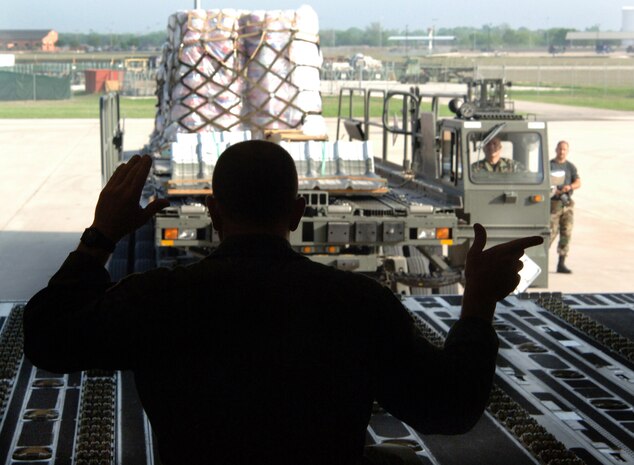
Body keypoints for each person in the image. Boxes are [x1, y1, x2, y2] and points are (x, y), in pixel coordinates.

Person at [23, 140, 543, 465]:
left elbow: (46, 337)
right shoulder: (360, 305)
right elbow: (450, 409)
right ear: (297, 213)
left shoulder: (157, 299)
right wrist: (476, 303)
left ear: (213, 212)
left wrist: (100, 237)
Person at [550, 140, 581, 274]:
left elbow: (578, 181)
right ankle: (540, 261)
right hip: (553, 204)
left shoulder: (570, 167)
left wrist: (570, 187)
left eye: (564, 150)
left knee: (566, 233)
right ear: (556, 150)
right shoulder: (550, 165)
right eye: (560, 149)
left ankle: (561, 263)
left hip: (567, 204)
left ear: (567, 151)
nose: (562, 152)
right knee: (550, 233)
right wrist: (553, 190)